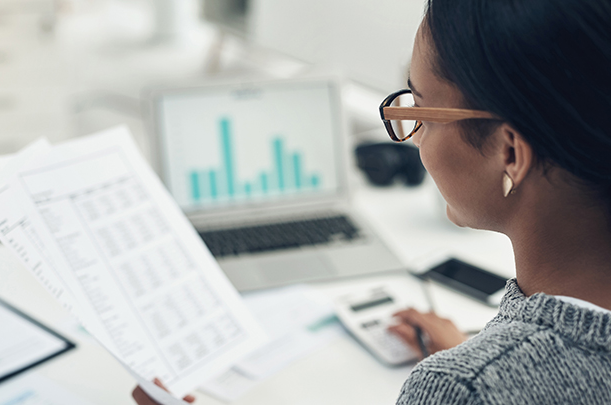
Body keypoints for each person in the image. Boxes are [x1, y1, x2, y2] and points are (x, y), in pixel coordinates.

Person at [132, 0, 611, 403]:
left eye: (420, 109)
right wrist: (480, 350)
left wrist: (478, 372)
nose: (413, 137)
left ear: (509, 152)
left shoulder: (462, 388)